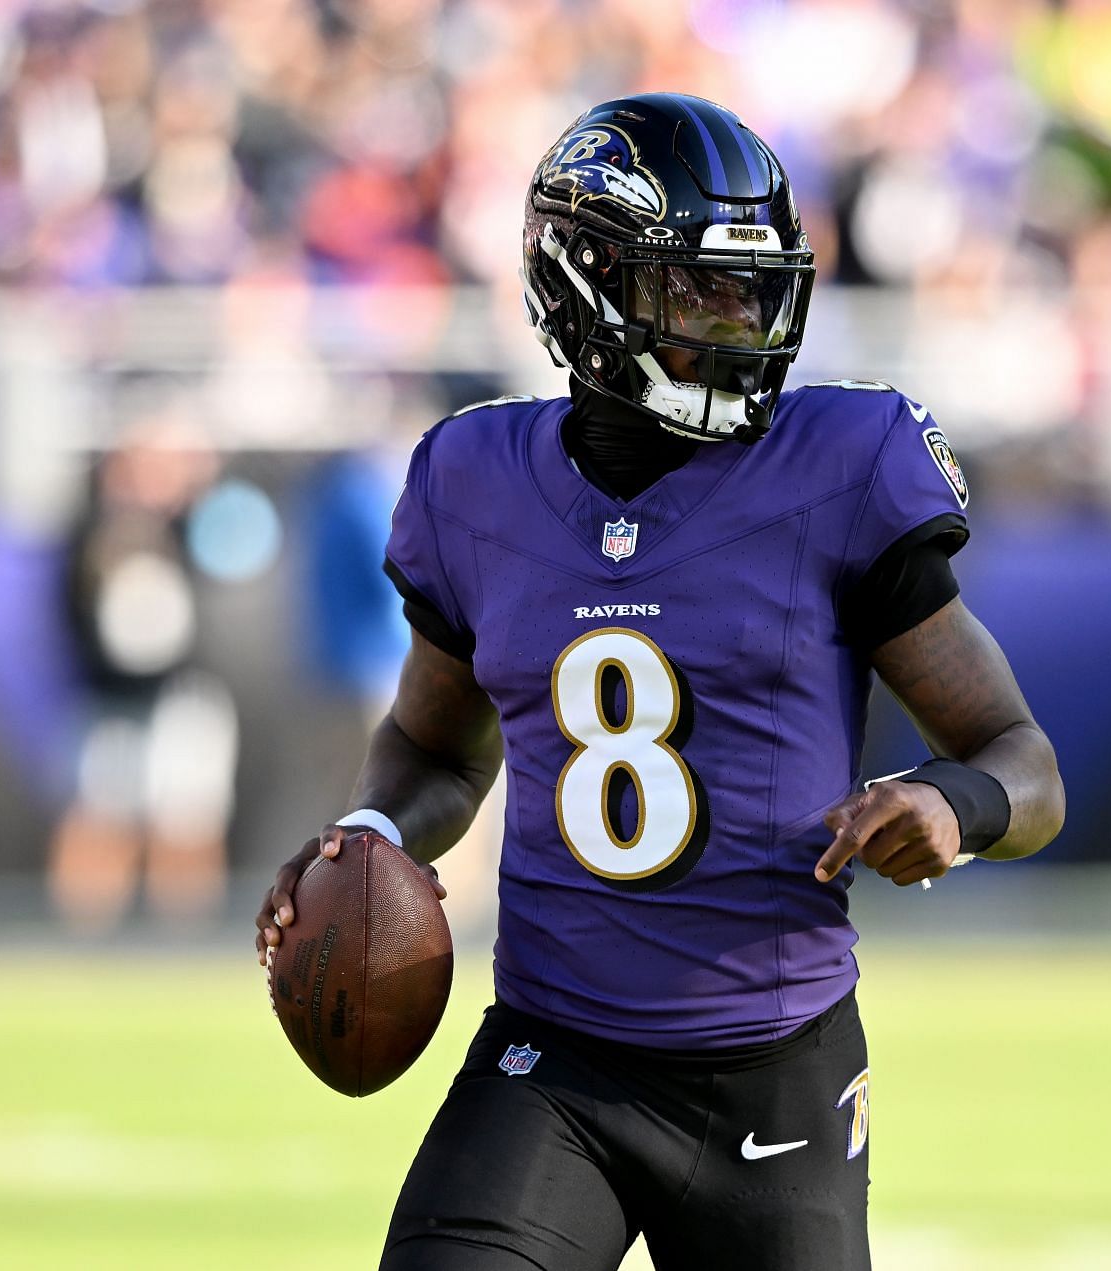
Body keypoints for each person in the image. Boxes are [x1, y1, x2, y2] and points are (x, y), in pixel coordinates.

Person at [255, 93, 1065, 1271]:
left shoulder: (838, 466)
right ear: (588, 289)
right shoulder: (474, 480)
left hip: (774, 1068)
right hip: (553, 1058)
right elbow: (436, 752)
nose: (744, 318)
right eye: (700, 289)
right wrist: (370, 833)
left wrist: (957, 803)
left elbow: (1022, 760)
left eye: (758, 285)